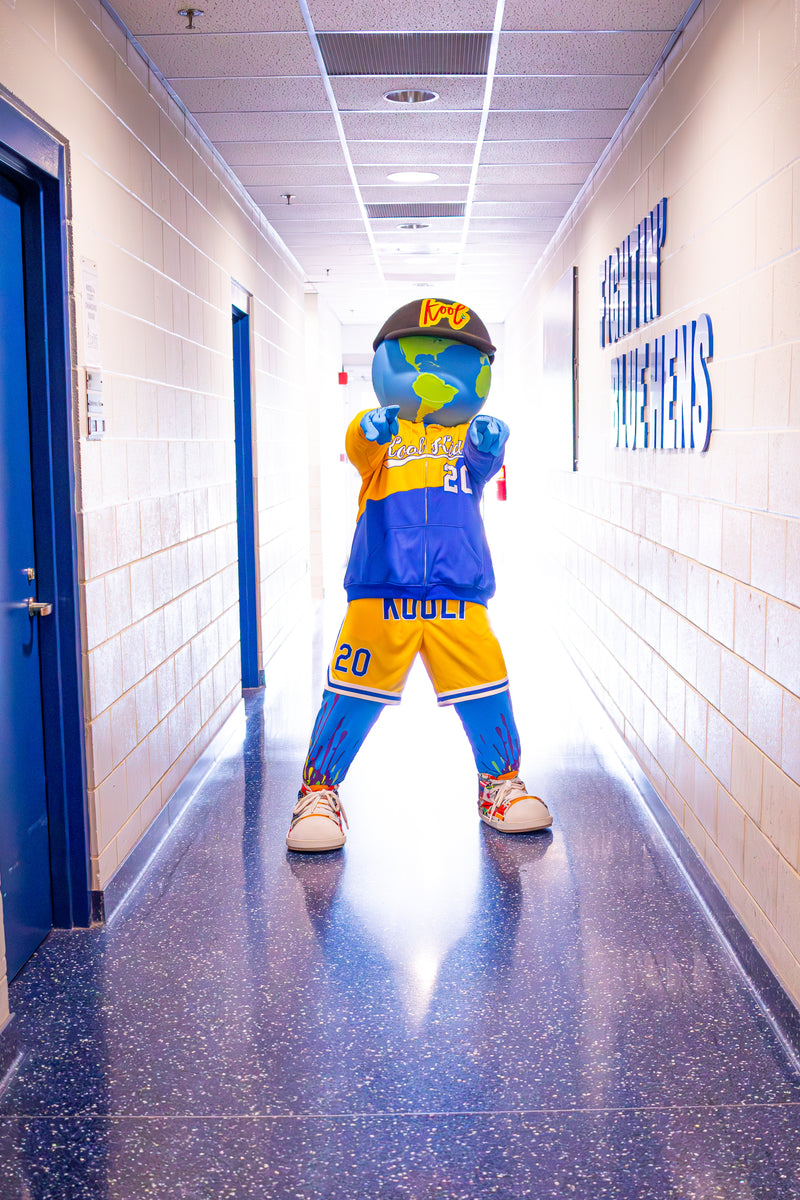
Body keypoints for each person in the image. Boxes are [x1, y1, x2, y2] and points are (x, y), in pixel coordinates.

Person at [287, 298, 552, 852]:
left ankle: (499, 786)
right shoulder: (381, 440)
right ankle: (317, 794)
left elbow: (489, 457)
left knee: (487, 690)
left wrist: (489, 440)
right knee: (351, 697)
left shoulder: (465, 441)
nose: (435, 374)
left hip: (458, 598)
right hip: (382, 597)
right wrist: (371, 428)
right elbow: (358, 445)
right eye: (420, 359)